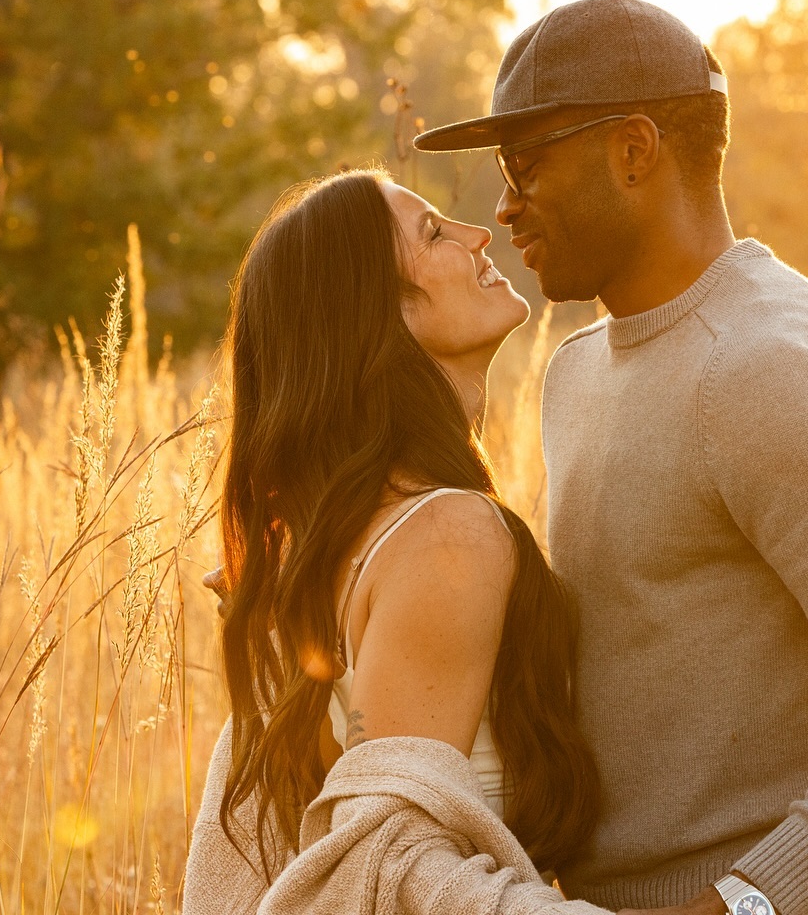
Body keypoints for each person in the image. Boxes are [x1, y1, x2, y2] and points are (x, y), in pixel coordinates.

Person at [413, 0, 808, 915]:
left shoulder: (768, 367)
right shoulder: (577, 372)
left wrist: (746, 901)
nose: (504, 204)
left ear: (634, 150)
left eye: (526, 164)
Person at [188, 167, 600, 901]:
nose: (481, 234)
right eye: (434, 232)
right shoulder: (447, 533)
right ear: (375, 313)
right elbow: (387, 859)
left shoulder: (346, 536)